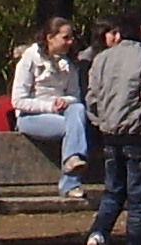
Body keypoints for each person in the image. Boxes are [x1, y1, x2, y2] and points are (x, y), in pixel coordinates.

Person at [82, 6, 141, 245]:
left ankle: (98, 234)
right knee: (139, 200)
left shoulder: (102, 59)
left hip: (110, 135)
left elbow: (92, 99)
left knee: (113, 192)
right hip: (137, 135)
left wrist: (102, 123)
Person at [9, 16, 92, 196]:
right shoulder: (29, 59)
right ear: (50, 37)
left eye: (71, 38)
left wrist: (66, 101)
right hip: (30, 118)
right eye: (65, 37)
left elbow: (75, 96)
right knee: (75, 128)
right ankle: (71, 183)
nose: (70, 42)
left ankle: (72, 163)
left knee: (78, 109)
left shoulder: (68, 64)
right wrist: (50, 106)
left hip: (63, 114)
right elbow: (18, 100)